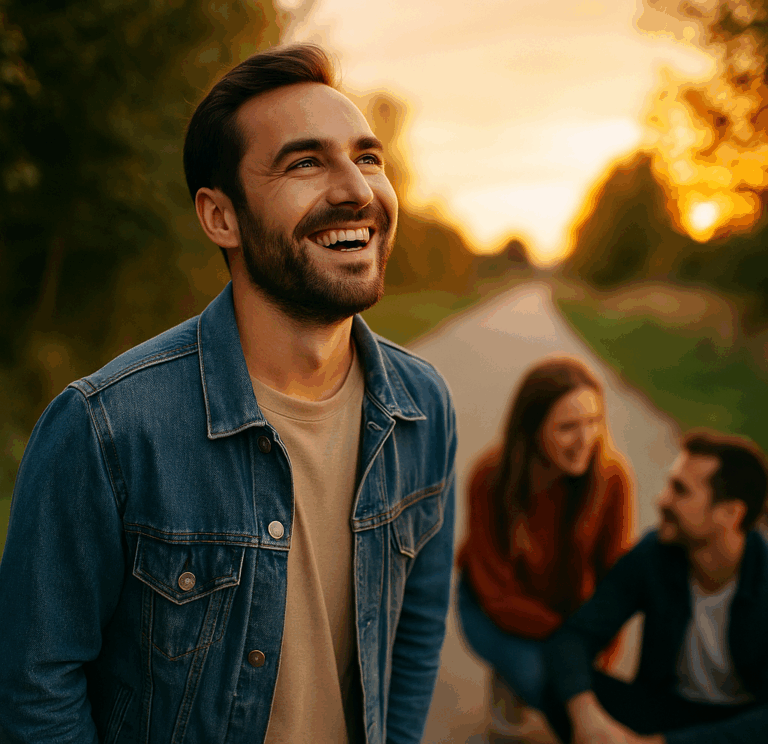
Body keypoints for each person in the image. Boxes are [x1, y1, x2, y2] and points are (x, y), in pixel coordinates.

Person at [0, 44, 457, 744]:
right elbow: (36, 689)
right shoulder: (107, 429)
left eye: (368, 158)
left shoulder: (423, 408)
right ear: (221, 218)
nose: (357, 190)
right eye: (306, 163)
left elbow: (414, 628)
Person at [542, 431, 768, 744]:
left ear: (730, 513)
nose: (662, 500)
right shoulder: (655, 555)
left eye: (680, 491)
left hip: (739, 726)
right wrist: (587, 717)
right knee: (562, 685)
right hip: (665, 712)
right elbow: (575, 636)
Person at [457, 357, 635, 740]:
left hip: (563, 609)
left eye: (594, 421)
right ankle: (511, 683)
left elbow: (617, 581)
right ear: (533, 429)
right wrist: (569, 645)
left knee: (588, 692)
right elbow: (497, 594)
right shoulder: (489, 477)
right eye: (568, 427)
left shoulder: (613, 477)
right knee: (545, 682)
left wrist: (595, 653)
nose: (586, 439)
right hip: (488, 606)